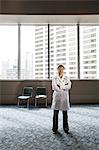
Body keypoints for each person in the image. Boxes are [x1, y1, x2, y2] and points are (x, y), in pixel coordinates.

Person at [51, 65, 72, 134]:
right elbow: (54, 86)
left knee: (65, 113)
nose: (60, 70)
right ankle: (55, 128)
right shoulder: (54, 78)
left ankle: (66, 127)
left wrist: (61, 87)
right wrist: (62, 88)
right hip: (57, 96)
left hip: (65, 97)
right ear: (57, 70)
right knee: (55, 113)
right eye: (59, 69)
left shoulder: (67, 77)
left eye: (62, 69)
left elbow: (69, 86)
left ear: (64, 70)